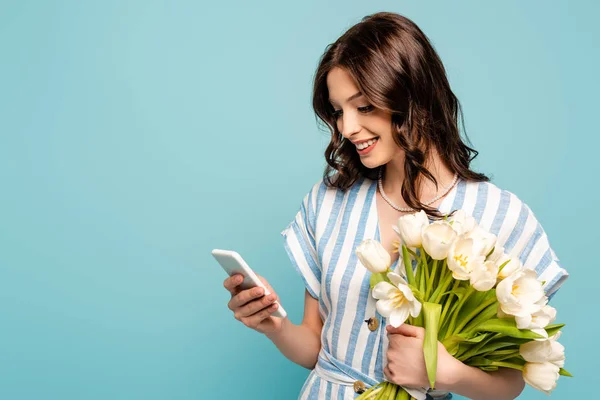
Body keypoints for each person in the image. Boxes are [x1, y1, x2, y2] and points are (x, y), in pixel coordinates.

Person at [222, 11, 568, 400]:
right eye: (338, 111)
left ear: (413, 95)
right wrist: (273, 324)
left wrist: (442, 372)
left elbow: (510, 384)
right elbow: (315, 348)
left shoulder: (501, 216)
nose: (347, 128)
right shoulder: (328, 202)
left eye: (364, 106)